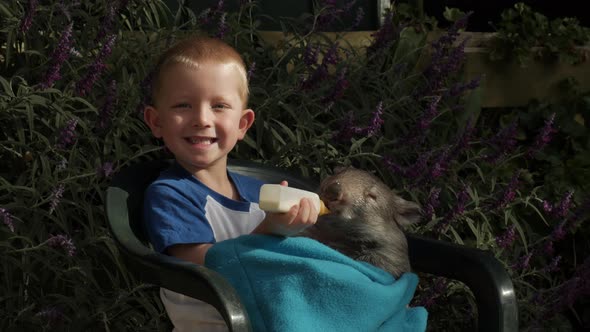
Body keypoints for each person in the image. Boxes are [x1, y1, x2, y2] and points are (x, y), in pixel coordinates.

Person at [142, 35, 319, 331]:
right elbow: (209, 269)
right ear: (156, 122)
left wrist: (307, 229)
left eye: (219, 106)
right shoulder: (170, 195)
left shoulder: (258, 194)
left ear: (242, 124)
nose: (202, 118)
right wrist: (271, 230)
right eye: (183, 105)